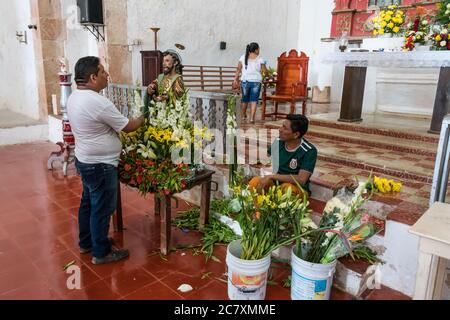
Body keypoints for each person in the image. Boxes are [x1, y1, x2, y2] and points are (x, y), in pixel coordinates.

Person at [67, 56, 145, 265]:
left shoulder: (75, 97)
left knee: (88, 203)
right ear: (93, 77)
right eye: (103, 72)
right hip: (100, 164)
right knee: (102, 207)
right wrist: (143, 117)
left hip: (85, 159)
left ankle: (87, 243)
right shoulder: (98, 102)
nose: (107, 75)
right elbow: (128, 126)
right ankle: (101, 252)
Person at [249, 114, 317, 198]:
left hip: (296, 187)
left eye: (285, 128)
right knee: (255, 182)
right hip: (276, 183)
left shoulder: (309, 150)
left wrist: (271, 176)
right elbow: (265, 157)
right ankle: (256, 209)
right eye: (282, 126)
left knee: (287, 189)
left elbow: (301, 179)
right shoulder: (278, 142)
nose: (280, 129)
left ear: (296, 134)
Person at [232, 42, 268, 124]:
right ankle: (252, 119)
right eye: (258, 49)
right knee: (254, 100)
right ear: (256, 50)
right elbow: (265, 72)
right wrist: (266, 71)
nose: (259, 51)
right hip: (256, 82)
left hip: (245, 81)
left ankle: (243, 115)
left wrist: (235, 79)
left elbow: (238, 69)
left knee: (245, 100)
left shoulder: (242, 57)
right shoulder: (260, 59)